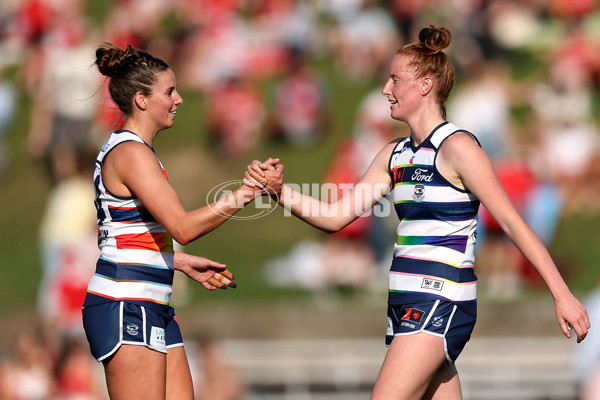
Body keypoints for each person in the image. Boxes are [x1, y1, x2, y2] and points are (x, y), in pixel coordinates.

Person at [246, 25, 590, 399]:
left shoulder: (457, 147)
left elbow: (511, 222)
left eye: (395, 79)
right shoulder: (394, 153)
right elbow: (335, 217)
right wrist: (279, 193)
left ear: (425, 85)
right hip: (404, 305)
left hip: (438, 301)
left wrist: (562, 294)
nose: (385, 90)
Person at [82, 43, 283, 400]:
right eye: (169, 92)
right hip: (127, 302)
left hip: (150, 302)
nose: (179, 99)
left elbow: (125, 233)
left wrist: (177, 262)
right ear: (142, 100)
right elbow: (183, 228)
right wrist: (248, 191)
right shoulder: (131, 153)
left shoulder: (136, 151)